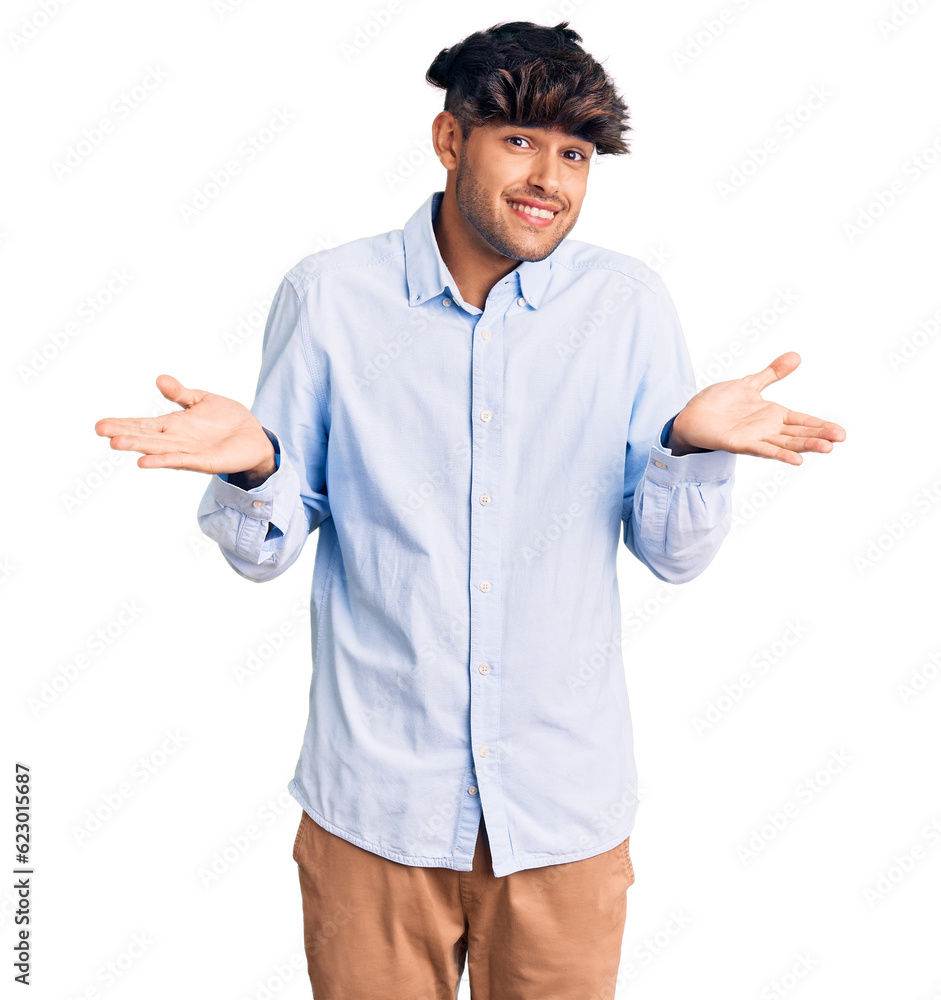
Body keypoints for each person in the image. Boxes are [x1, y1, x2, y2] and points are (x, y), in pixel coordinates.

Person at [94, 20, 845, 1000]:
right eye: (519, 140)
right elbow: (261, 553)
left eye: (573, 153)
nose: (548, 179)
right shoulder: (330, 298)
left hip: (561, 818)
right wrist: (257, 467)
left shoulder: (626, 307)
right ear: (449, 139)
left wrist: (689, 447)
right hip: (372, 814)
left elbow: (674, 557)